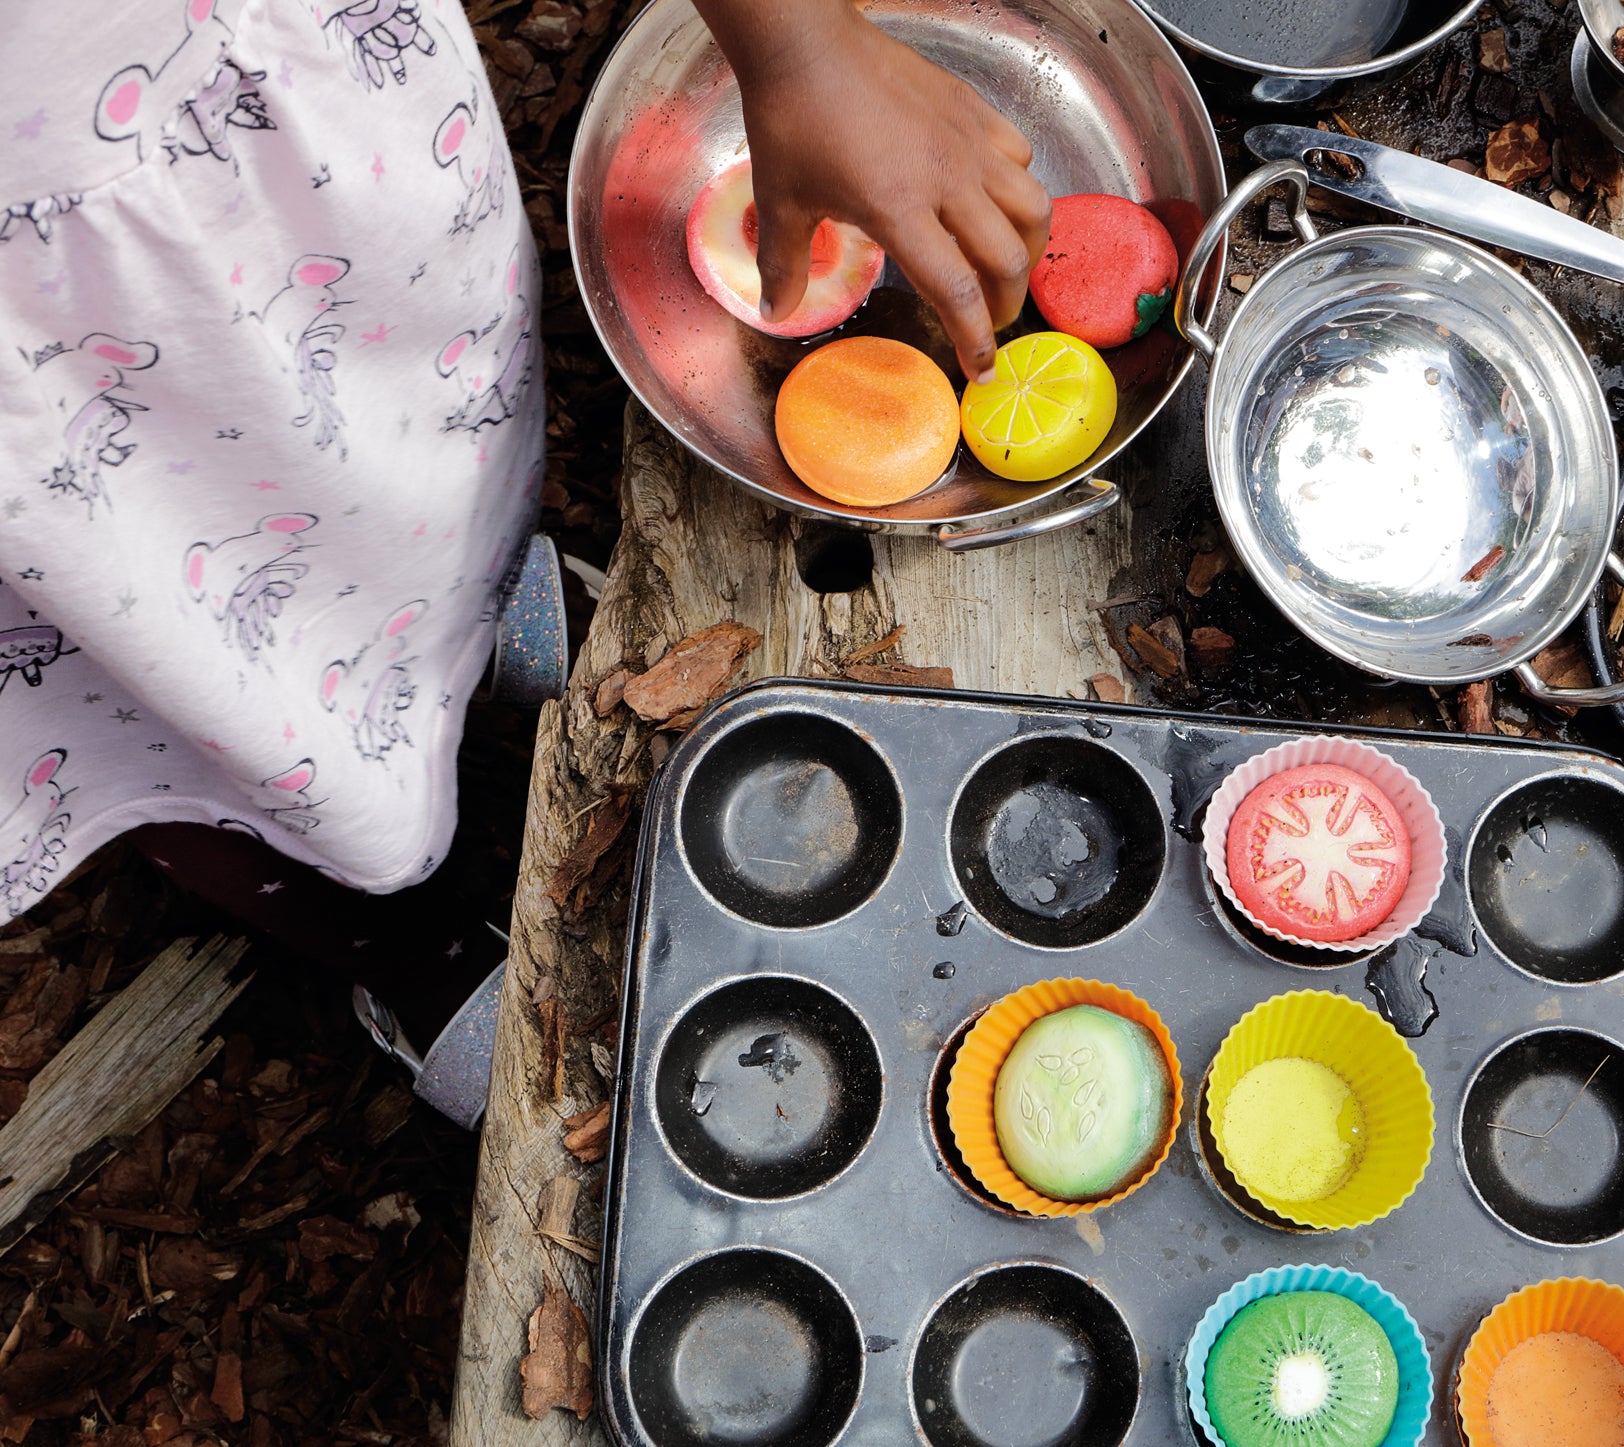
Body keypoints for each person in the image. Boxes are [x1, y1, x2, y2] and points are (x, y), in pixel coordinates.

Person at [0, 0, 1048, 1122]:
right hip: (38, 363)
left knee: (396, 436)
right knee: (150, 656)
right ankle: (397, 938)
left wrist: (798, 39)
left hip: (269, 104)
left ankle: (461, 609)